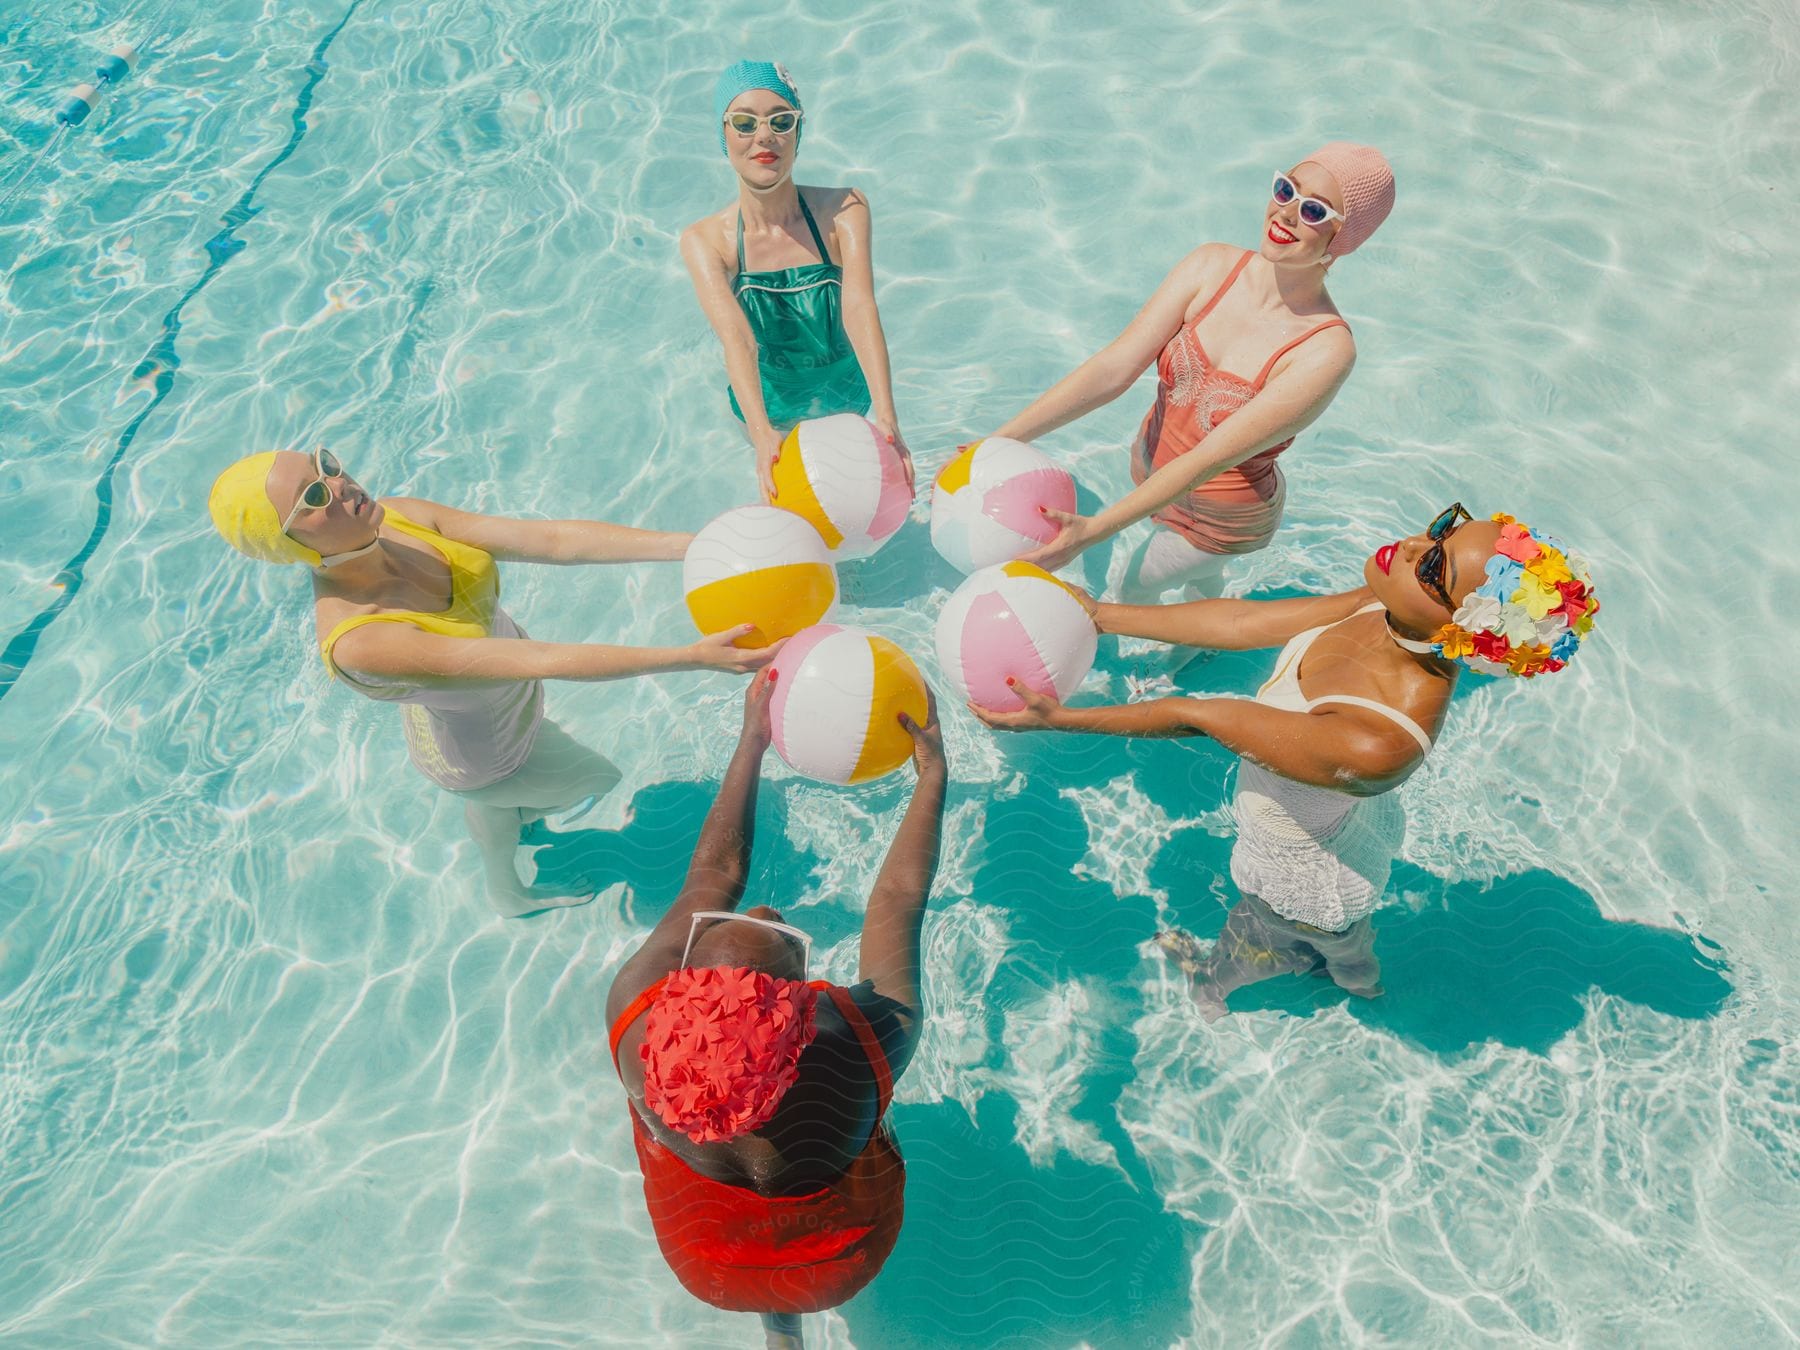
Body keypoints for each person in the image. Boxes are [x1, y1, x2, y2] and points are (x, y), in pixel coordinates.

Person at [975, 505, 1598, 1018]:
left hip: (1306, 873)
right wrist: (1101, 615)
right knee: (1338, 941)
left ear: (1459, 628)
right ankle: (1354, 971)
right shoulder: (1387, 610)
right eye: (1441, 528)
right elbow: (1245, 621)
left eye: (1432, 563)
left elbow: (1199, 715)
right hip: (1338, 821)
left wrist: (1062, 720)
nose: (1411, 544)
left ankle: (1235, 984)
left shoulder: (1381, 741)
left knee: (1265, 935)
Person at [207, 447, 777, 915]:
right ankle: (507, 889)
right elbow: (544, 660)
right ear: (290, 545)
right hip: (486, 751)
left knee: (513, 803)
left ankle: (506, 818)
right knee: (595, 779)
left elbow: (552, 542)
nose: (341, 485)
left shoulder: (398, 516)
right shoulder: (362, 639)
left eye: (326, 465)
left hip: (491, 703)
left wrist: (697, 545)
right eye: (312, 496)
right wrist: (692, 656)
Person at [606, 671, 947, 1349]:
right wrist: (932, 775)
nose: (767, 909)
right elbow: (898, 899)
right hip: (837, 1260)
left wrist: (752, 739)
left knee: (748, 1211)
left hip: (712, 1262)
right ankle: (787, 1319)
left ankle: (778, 1332)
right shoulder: (870, 1048)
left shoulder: (632, 1016)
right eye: (786, 947)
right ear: (795, 1038)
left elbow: (713, 878)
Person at [986, 144, 1395, 598]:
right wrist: (999, 441)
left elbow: (1208, 459)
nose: (1287, 214)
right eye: (1286, 190)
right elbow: (1113, 368)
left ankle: (1171, 664)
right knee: (1195, 583)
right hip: (1153, 476)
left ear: (1345, 238)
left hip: (1220, 519)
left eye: (1314, 210)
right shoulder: (1211, 266)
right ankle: (1206, 614)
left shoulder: (1326, 349)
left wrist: (1095, 530)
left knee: (1128, 593)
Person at [681, 60, 914, 503]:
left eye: (781, 121)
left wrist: (887, 414)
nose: (764, 136)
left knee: (861, 509)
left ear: (798, 133)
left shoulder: (843, 209)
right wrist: (762, 432)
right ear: (723, 134)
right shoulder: (707, 241)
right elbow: (738, 342)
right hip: (771, 411)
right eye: (744, 123)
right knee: (796, 519)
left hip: (849, 395)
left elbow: (860, 307)